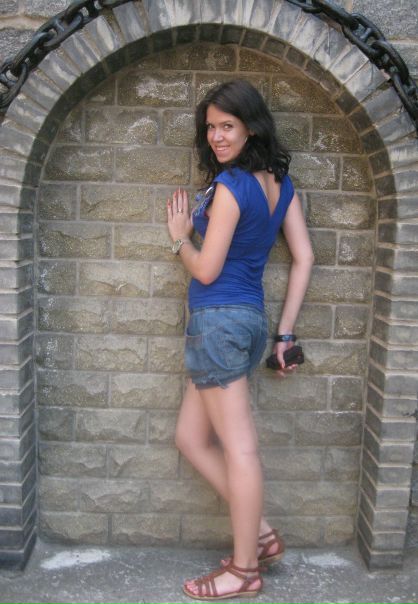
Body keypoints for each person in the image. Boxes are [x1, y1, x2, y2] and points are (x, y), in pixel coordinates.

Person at [166, 79, 314, 600]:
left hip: (218, 323)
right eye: (210, 127)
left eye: (227, 125)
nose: (217, 137)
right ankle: (263, 533)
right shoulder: (280, 184)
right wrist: (284, 333)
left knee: (240, 449)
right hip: (247, 323)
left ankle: (245, 570)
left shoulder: (231, 187)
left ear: (251, 126)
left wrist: (180, 239)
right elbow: (304, 258)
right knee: (190, 438)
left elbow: (206, 269)